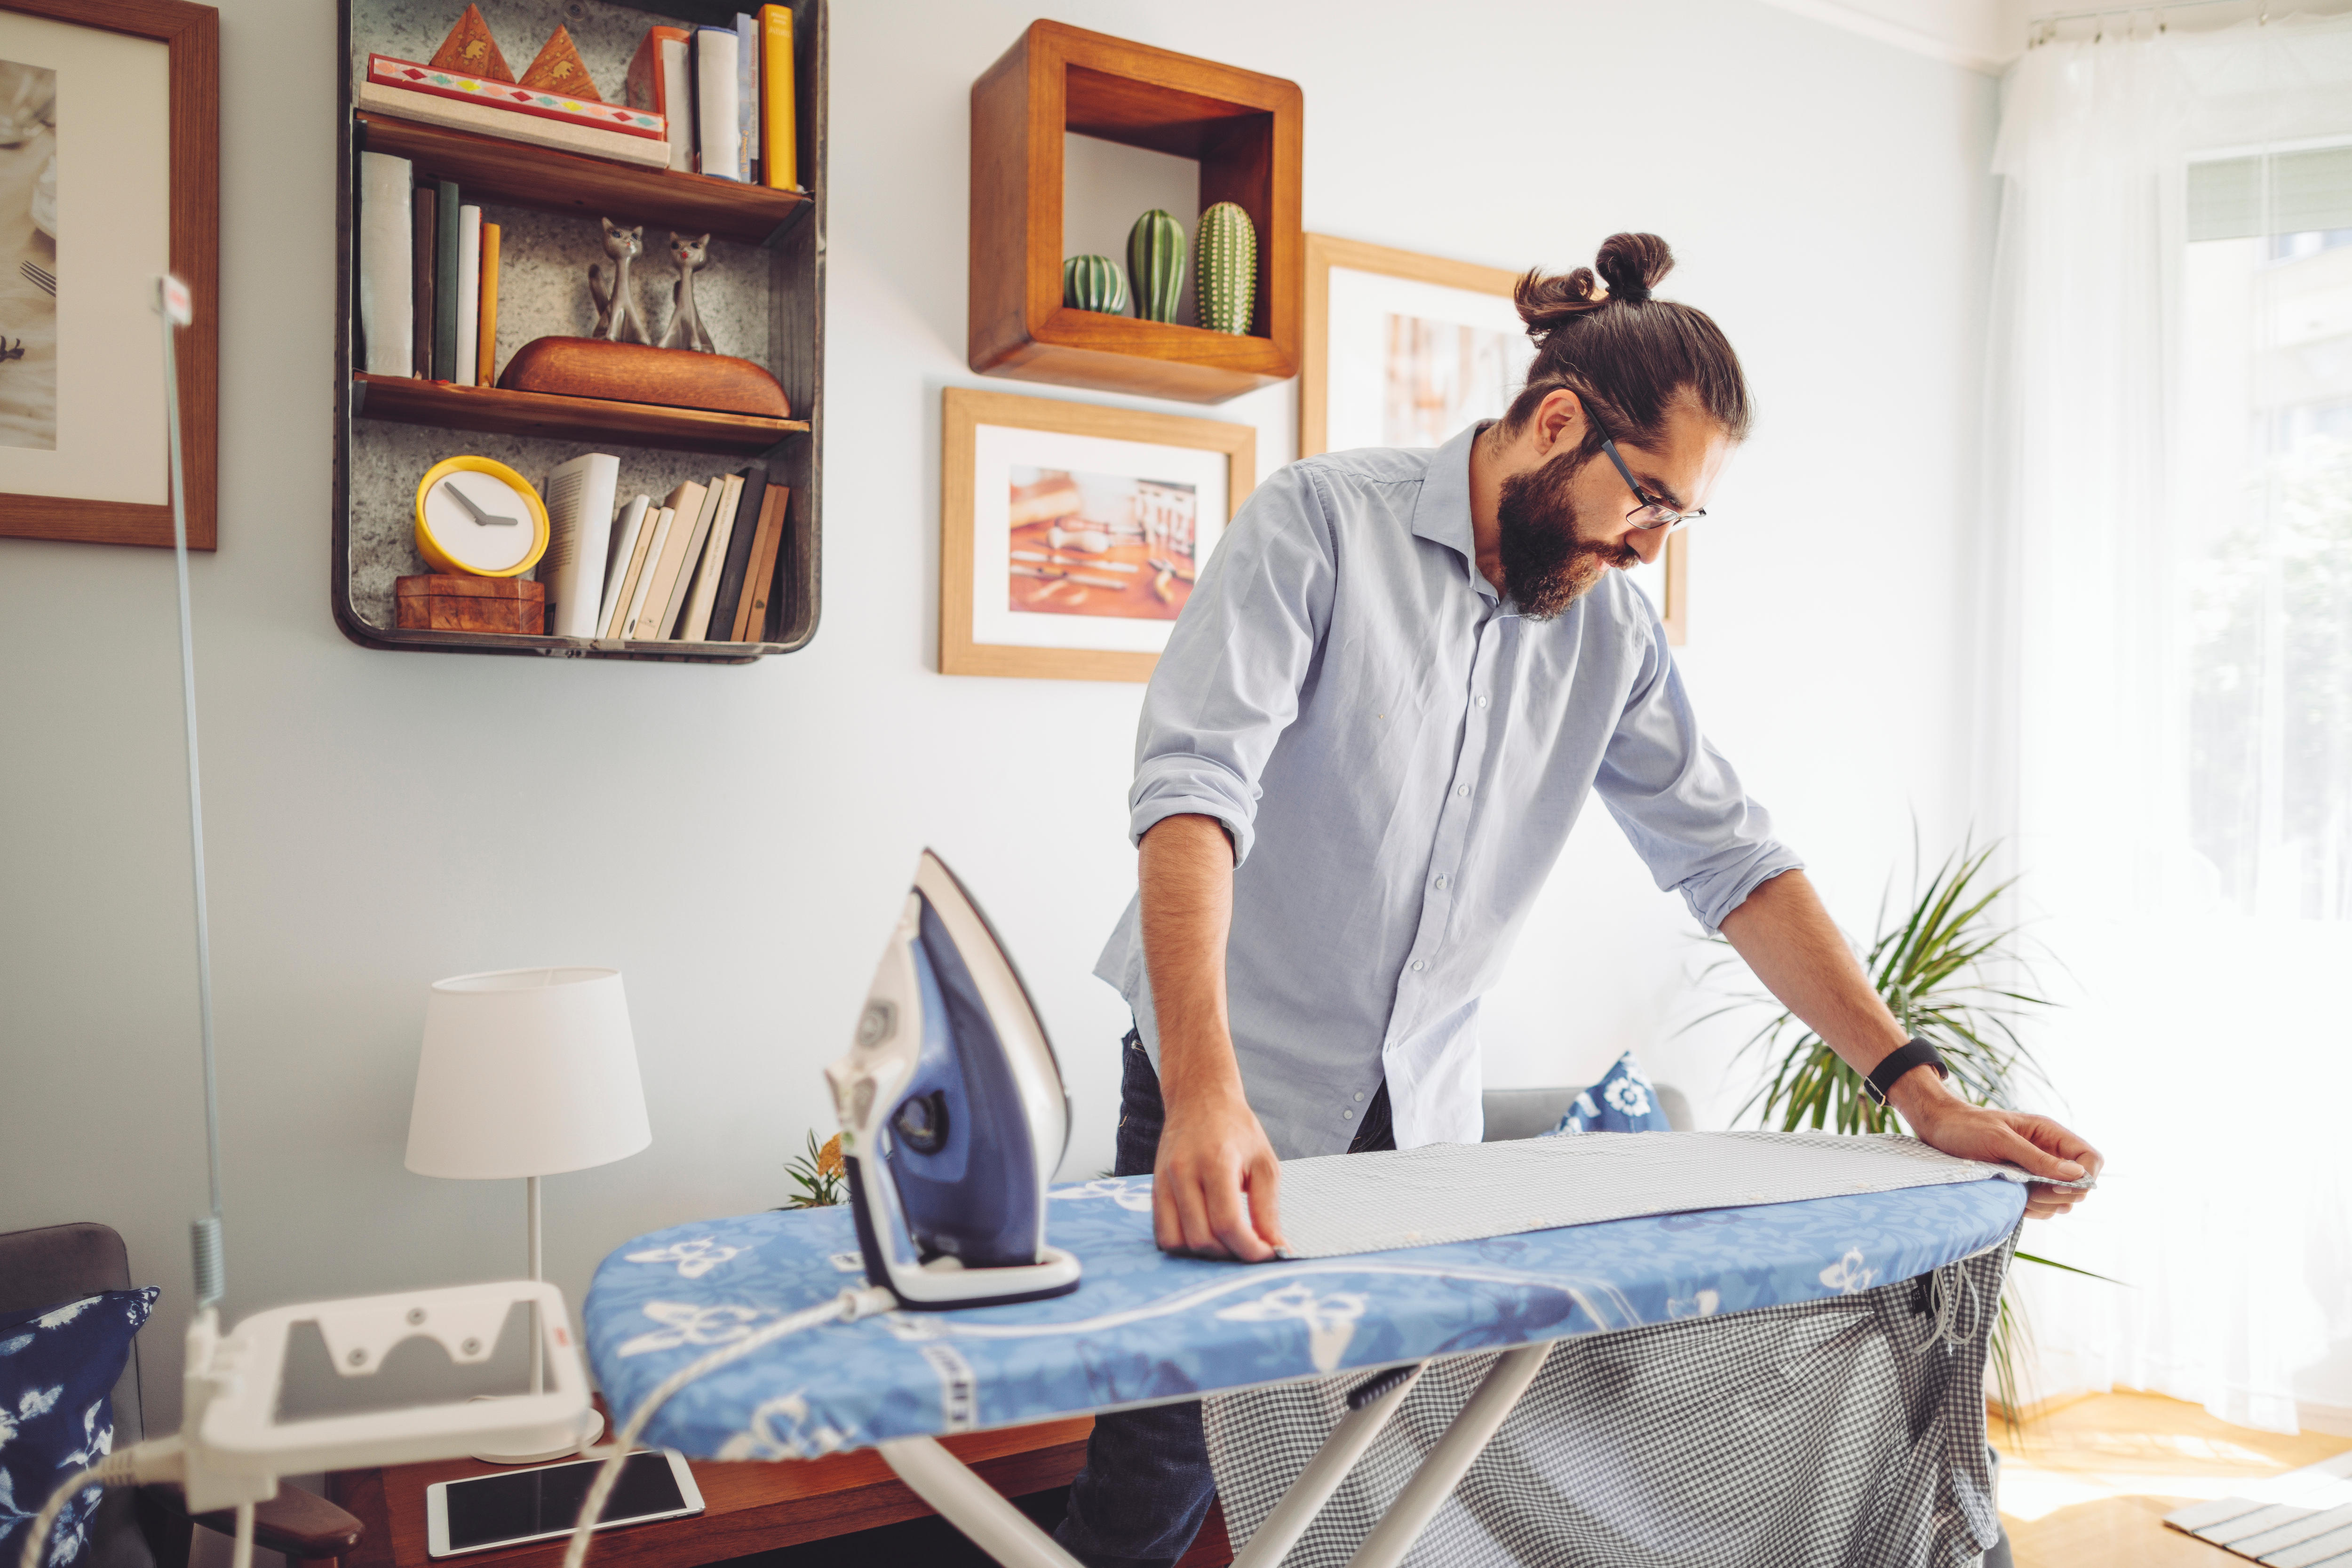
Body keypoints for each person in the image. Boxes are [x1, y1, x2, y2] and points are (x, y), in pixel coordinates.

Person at [1053, 232, 2104, 1568]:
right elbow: (1194, 796)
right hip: (1225, 1070)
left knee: (1395, 1481)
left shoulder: (1611, 630)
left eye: (1680, 519)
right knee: (1156, 1474)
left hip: (1421, 1115)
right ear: (1557, 424)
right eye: (1650, 501)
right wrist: (1206, 1092)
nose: (1652, 547)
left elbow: (1736, 865)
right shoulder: (1320, 523)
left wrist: (1925, 1095)